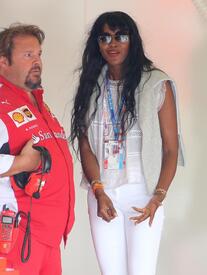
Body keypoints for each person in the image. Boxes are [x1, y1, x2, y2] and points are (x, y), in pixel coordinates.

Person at [71, 11, 185, 275]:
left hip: (143, 195)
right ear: (96, 44)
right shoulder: (91, 84)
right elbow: (85, 142)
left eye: (121, 36)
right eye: (105, 37)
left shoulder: (156, 83)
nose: (113, 43)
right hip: (103, 193)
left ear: (132, 40)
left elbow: (170, 148)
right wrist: (98, 191)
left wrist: (157, 198)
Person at [0, 24, 75, 275]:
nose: (37, 61)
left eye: (39, 54)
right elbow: (31, 161)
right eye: (28, 55)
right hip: (16, 236)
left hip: (48, 237)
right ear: (3, 62)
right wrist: (24, 163)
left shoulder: (37, 101)